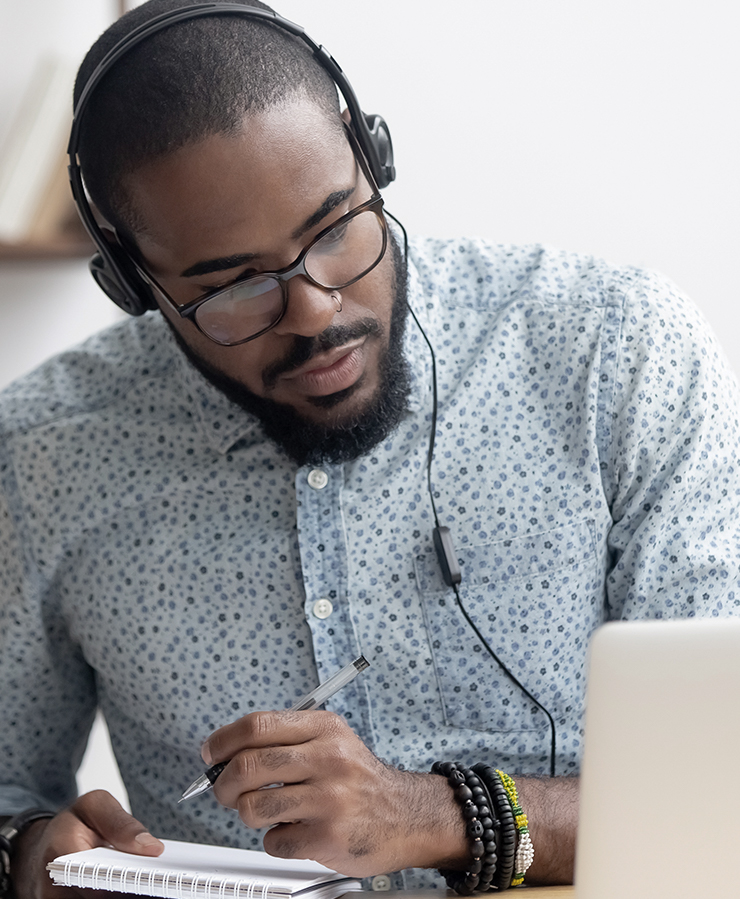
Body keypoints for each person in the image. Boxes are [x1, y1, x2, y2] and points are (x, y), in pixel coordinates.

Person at [1, 0, 739, 895]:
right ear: (131, 279)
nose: (316, 312)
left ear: (369, 152)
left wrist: (435, 814)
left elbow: (720, 783)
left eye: (334, 229)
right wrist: (31, 855)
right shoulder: (40, 457)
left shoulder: (615, 352)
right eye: (234, 287)